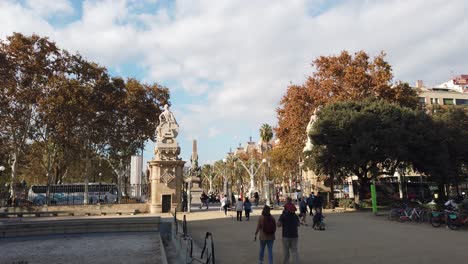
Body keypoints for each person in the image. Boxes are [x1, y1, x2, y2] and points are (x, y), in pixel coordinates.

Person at [277, 197, 300, 264]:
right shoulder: (295, 216)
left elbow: (278, 225)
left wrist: (281, 223)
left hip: (286, 235)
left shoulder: (283, 215)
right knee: (294, 251)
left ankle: (286, 262)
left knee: (286, 251)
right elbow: (298, 224)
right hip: (294, 235)